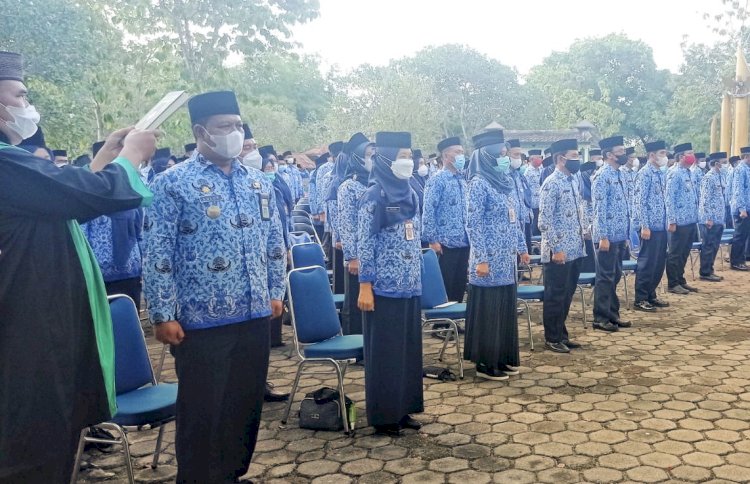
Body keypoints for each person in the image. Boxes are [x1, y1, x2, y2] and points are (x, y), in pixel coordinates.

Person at [0, 50, 157, 482]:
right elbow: (85, 195)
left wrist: (107, 156)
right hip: (26, 336)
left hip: (35, 328)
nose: (27, 106)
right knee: (32, 451)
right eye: (19, 95)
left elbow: (62, 207)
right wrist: (131, 159)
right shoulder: (5, 165)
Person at [143, 91, 286, 484]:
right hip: (200, 322)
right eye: (226, 127)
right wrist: (162, 313)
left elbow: (274, 241)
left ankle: (232, 474)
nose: (235, 133)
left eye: (239, 126)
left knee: (244, 403)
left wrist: (276, 292)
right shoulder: (171, 183)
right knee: (203, 409)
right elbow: (157, 251)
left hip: (255, 311)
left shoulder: (258, 182)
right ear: (200, 131)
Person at [357, 131, 424, 436]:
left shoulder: (410, 191)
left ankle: (404, 408)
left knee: (407, 351)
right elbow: (365, 242)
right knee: (386, 352)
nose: (408, 162)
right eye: (402, 156)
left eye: (410, 156)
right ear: (385, 160)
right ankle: (385, 416)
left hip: (409, 284)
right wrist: (365, 285)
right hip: (383, 286)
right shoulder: (375, 194)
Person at [464, 129, 529, 378]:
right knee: (489, 311)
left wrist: (522, 248)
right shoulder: (478, 183)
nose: (505, 156)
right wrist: (480, 258)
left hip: (506, 260)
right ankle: (485, 363)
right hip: (488, 259)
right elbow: (474, 223)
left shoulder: (506, 182)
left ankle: (502, 358)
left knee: (504, 310)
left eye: (505, 152)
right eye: (500, 152)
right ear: (487, 156)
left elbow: (516, 218)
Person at [537, 139, 586, 353]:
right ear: (560, 159)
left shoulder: (573, 180)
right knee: (555, 295)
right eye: (574, 156)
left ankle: (562, 334)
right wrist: (556, 248)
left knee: (567, 294)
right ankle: (552, 337)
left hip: (575, 248)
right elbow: (544, 221)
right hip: (558, 251)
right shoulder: (551, 183)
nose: (577, 160)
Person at [422, 136, 470, 303]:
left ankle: (455, 321)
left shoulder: (462, 179)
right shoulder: (437, 179)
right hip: (445, 242)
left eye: (462, 152)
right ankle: (442, 323)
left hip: (463, 240)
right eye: (457, 152)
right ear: (446, 156)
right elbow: (428, 210)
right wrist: (432, 240)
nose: (461, 156)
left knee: (460, 283)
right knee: (445, 283)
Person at [591, 136, 631, 332]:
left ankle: (613, 315)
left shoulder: (620, 174)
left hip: (619, 234)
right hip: (607, 236)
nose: (624, 155)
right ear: (609, 155)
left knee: (615, 275)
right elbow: (599, 209)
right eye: (620, 152)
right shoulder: (602, 176)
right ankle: (600, 317)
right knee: (605, 277)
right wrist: (603, 237)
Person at [337, 132, 373, 335]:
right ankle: (355, 343)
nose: (371, 159)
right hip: (357, 254)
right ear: (357, 157)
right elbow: (347, 223)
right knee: (356, 301)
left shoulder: (375, 183)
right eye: (368, 154)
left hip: (373, 255)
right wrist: (352, 256)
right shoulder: (348, 187)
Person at [631, 141, 671, 312]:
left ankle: (651, 294)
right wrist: (644, 226)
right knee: (647, 263)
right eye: (662, 153)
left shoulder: (660, 174)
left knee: (658, 262)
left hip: (661, 225)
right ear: (652, 155)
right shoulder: (644, 174)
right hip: (649, 227)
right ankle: (640, 298)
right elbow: (640, 203)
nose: (665, 156)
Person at [664, 143, 700, 294]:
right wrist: (671, 220)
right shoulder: (674, 173)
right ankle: (673, 283)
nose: (693, 156)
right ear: (681, 157)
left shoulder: (689, 172)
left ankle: (680, 279)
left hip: (690, 219)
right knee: (675, 252)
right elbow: (669, 198)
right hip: (679, 221)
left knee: (685, 252)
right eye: (689, 153)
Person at [698, 152, 727, 281]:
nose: (725, 164)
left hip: (719, 217)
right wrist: (708, 217)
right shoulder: (709, 177)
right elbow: (705, 199)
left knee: (714, 245)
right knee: (708, 245)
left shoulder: (720, 176)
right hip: (710, 218)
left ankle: (710, 270)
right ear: (716, 163)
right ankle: (705, 272)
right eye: (723, 162)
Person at [507, 139, 533, 253]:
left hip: (524, 221)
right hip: (512, 226)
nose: (519, 159)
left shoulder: (518, 175)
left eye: (520, 155)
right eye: (515, 154)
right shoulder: (503, 177)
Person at [730, 146, 750, 270]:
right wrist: (742, 208)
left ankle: (742, 259)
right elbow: (738, 190)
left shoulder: (747, 169)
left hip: (748, 207)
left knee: (745, 235)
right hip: (741, 209)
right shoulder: (740, 169)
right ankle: (736, 262)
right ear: (746, 156)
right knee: (739, 235)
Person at [524, 149, 543, 236]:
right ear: (531, 159)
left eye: (540, 157)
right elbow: (526, 189)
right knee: (535, 225)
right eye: (538, 158)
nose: (540, 159)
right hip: (533, 204)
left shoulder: (541, 170)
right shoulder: (528, 172)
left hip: (541, 202)